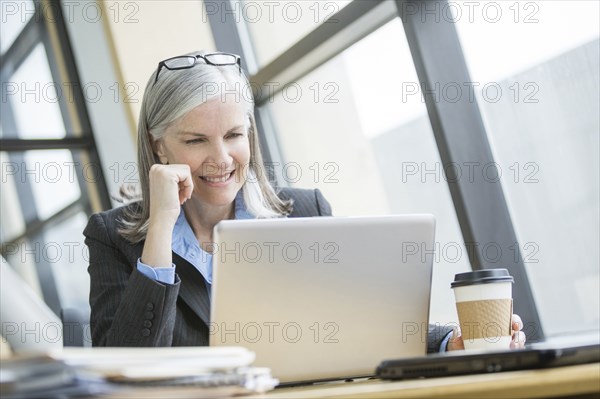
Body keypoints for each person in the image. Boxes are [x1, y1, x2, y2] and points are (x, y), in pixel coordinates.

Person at [84, 50, 525, 351]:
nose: (221, 159)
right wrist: (160, 227)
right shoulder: (112, 237)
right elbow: (121, 368)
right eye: (197, 140)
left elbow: (363, 322)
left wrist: (451, 342)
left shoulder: (305, 212)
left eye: (235, 135)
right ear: (158, 146)